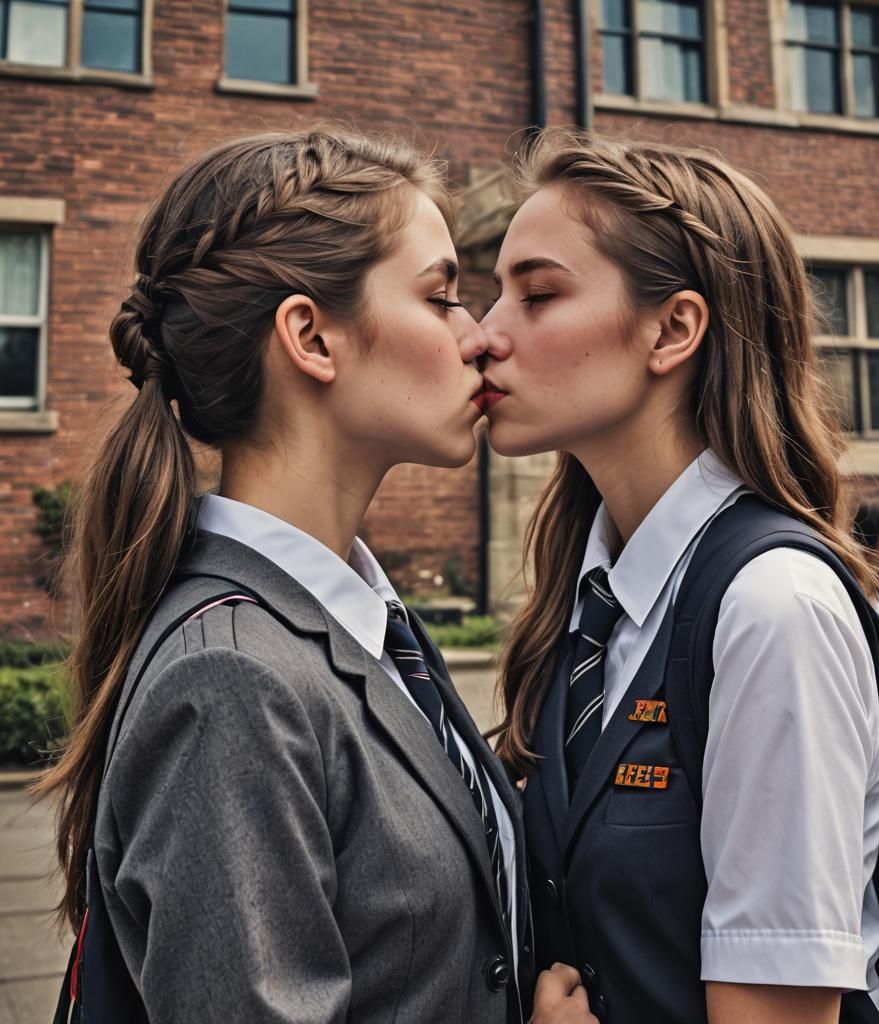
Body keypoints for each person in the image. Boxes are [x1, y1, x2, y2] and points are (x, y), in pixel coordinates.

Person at [34, 128, 593, 1024]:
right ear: (311, 339)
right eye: (442, 295)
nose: (479, 334)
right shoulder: (233, 681)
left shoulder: (359, 621)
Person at [481, 129, 879, 1024]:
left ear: (672, 329)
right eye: (489, 294)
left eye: (537, 295)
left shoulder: (772, 609)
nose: (483, 336)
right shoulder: (585, 604)